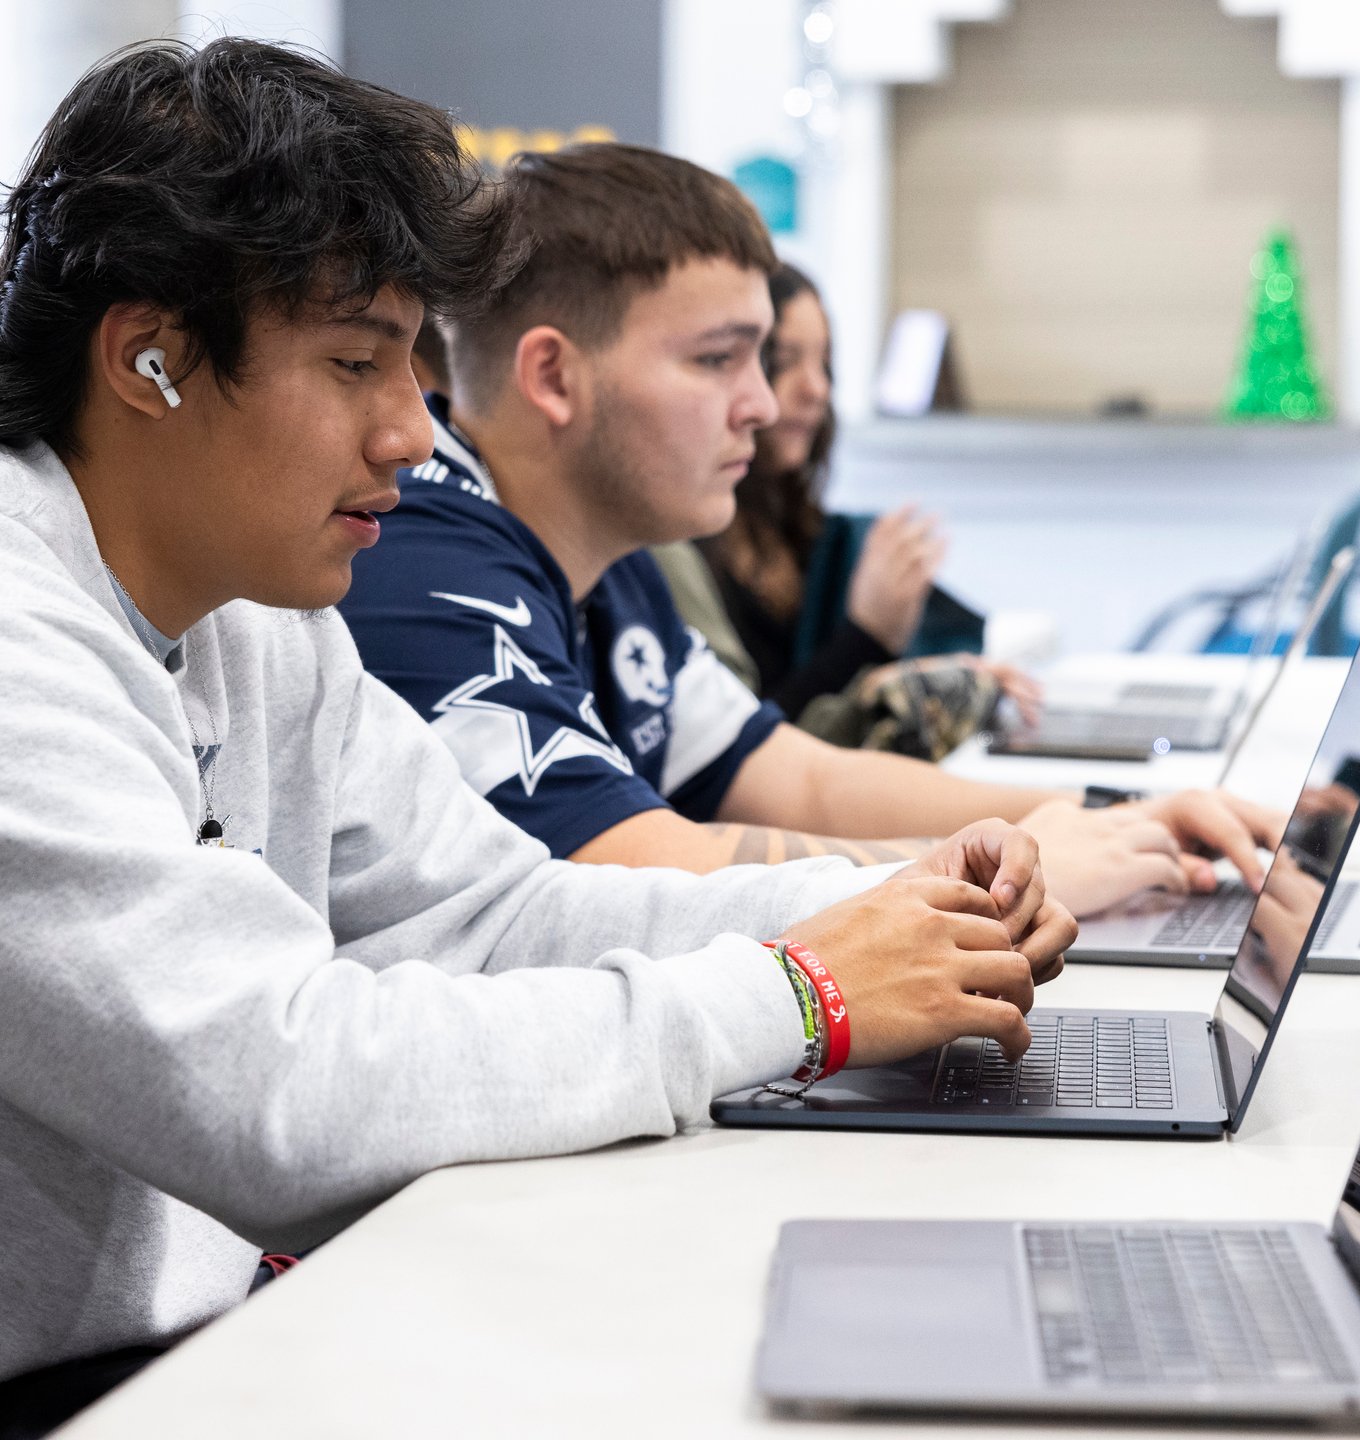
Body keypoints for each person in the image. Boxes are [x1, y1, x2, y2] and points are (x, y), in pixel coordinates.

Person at [0, 42, 1075, 1433]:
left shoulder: (261, 612)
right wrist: (801, 994)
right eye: (353, 366)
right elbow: (278, 1096)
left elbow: (489, 912)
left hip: (211, 1331)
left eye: (412, 365)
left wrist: (888, 908)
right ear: (149, 357)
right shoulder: (27, 643)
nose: (411, 431)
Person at [339, 142, 1280, 916]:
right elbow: (626, 867)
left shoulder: (599, 552)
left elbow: (798, 779)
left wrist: (1112, 814)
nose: (760, 405)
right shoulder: (425, 559)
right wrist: (1005, 867)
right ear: (553, 379)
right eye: (719, 360)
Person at [653, 261, 1041, 734]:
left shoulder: (821, 538)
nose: (816, 388)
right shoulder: (675, 542)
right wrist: (868, 636)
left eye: (825, 363)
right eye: (785, 360)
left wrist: (945, 681)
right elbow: (737, 752)